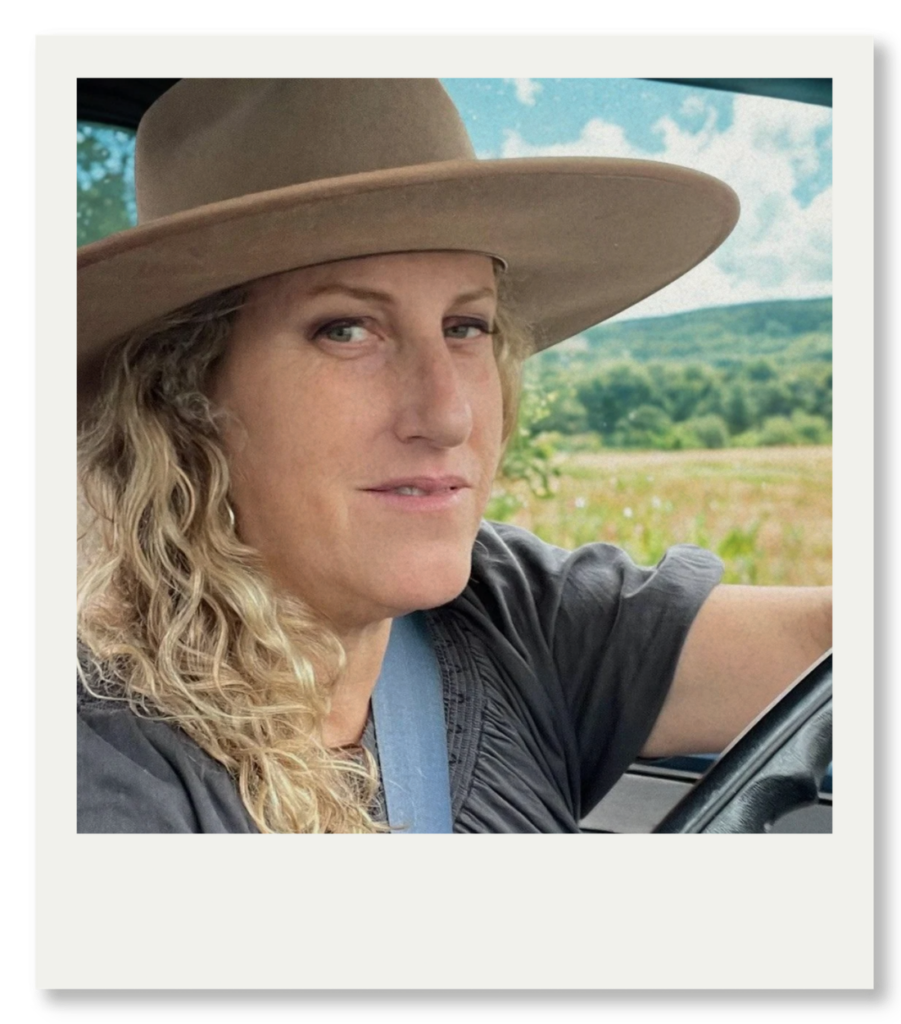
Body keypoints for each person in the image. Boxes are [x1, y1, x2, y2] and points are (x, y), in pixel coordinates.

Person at [76, 78, 832, 834]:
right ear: (178, 395)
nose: (447, 414)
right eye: (346, 329)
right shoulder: (100, 768)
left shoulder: (507, 615)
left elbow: (827, 649)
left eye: (466, 325)